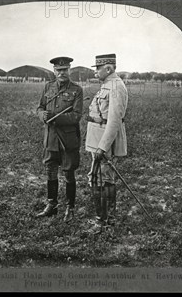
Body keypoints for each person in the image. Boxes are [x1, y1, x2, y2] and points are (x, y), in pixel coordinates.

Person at [36, 57, 84, 221]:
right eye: (59, 70)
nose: (62, 73)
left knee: (69, 174)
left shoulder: (77, 90)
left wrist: (56, 118)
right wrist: (43, 115)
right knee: (50, 171)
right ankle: (52, 205)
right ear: (54, 71)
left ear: (69, 70)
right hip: (50, 139)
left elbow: (76, 116)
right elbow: (40, 107)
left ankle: (70, 208)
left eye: (65, 70)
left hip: (67, 140)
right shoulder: (48, 87)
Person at [85, 54, 128, 232]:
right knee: (103, 179)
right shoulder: (107, 85)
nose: (95, 72)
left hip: (103, 141)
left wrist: (102, 147)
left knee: (101, 180)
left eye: (98, 68)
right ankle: (108, 219)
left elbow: (114, 121)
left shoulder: (116, 86)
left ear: (108, 69)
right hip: (98, 138)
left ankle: (102, 221)